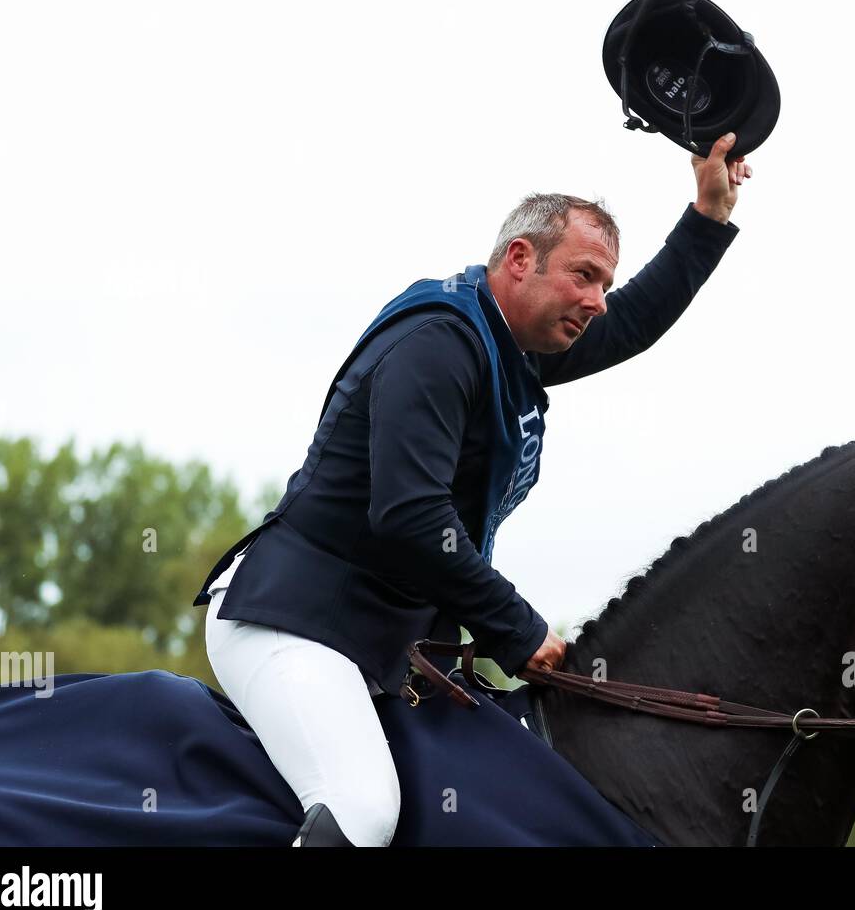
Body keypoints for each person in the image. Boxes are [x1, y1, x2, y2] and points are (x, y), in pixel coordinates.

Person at [194, 132, 751, 846]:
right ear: (519, 260)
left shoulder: (500, 343)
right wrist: (516, 629)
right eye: (583, 276)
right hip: (290, 626)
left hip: (373, 643)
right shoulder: (437, 345)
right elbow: (410, 516)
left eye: (604, 284)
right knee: (363, 810)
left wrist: (708, 217)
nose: (599, 301)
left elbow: (635, 322)